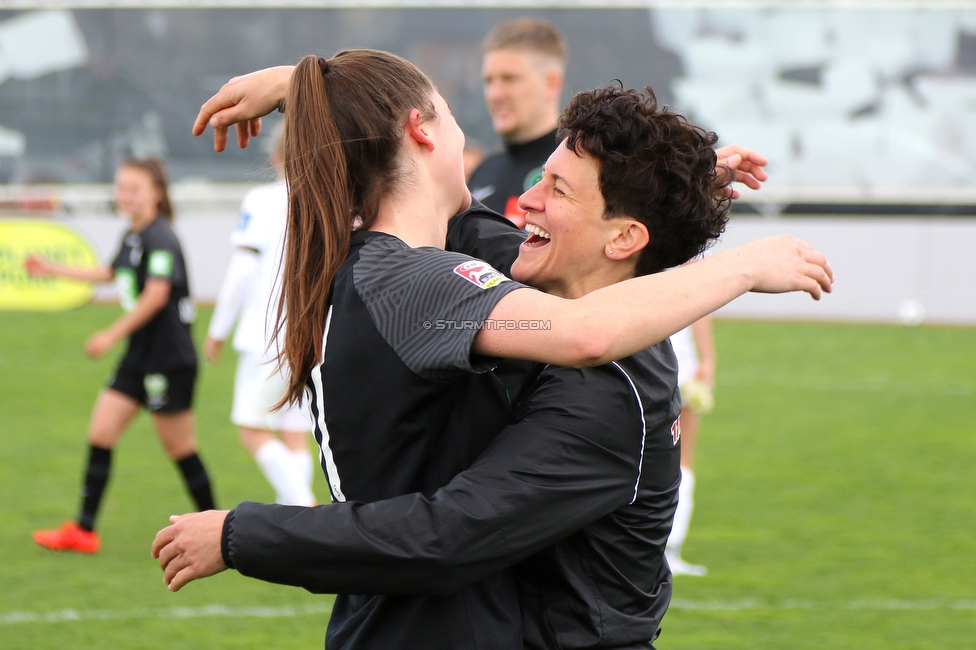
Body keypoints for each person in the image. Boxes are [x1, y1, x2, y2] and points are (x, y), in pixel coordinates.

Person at [153, 51, 831, 650]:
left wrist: (242, 535)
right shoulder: (449, 270)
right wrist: (313, 88)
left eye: (555, 188)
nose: (525, 202)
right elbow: (540, 263)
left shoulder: (608, 384)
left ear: (624, 239)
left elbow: (447, 535)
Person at [28, 158, 216, 554]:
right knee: (101, 433)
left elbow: (156, 295)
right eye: (121, 188)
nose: (125, 195)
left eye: (134, 188)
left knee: (179, 449)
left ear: (156, 193)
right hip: (139, 358)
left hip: (168, 361)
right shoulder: (133, 235)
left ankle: (219, 530)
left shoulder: (161, 237)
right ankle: (84, 531)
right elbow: (108, 272)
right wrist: (52, 268)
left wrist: (111, 334)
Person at [204, 128, 315, 507]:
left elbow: (242, 270)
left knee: (252, 430)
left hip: (265, 335)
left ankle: (303, 508)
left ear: (275, 158)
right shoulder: (328, 202)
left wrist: (217, 330)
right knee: (295, 432)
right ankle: (297, 514)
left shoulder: (262, 199)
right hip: (312, 334)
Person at [468, 18, 567, 226]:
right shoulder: (483, 171)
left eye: (509, 79)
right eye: (489, 81)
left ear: (551, 84)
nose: (495, 94)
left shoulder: (577, 166)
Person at [666, 316, 716, 577]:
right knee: (682, 460)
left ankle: (663, 549)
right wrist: (708, 360)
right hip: (682, 365)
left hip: (644, 362)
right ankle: (670, 551)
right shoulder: (686, 272)